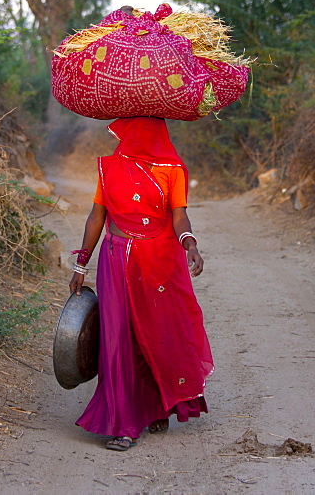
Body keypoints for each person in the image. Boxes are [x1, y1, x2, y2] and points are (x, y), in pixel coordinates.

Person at [69, 116, 213, 451]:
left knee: (156, 333)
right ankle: (124, 424)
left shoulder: (172, 169)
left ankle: (156, 406)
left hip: (157, 261)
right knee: (118, 338)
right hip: (116, 259)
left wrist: (190, 243)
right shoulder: (111, 168)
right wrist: (81, 263)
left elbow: (179, 215)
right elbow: (97, 216)